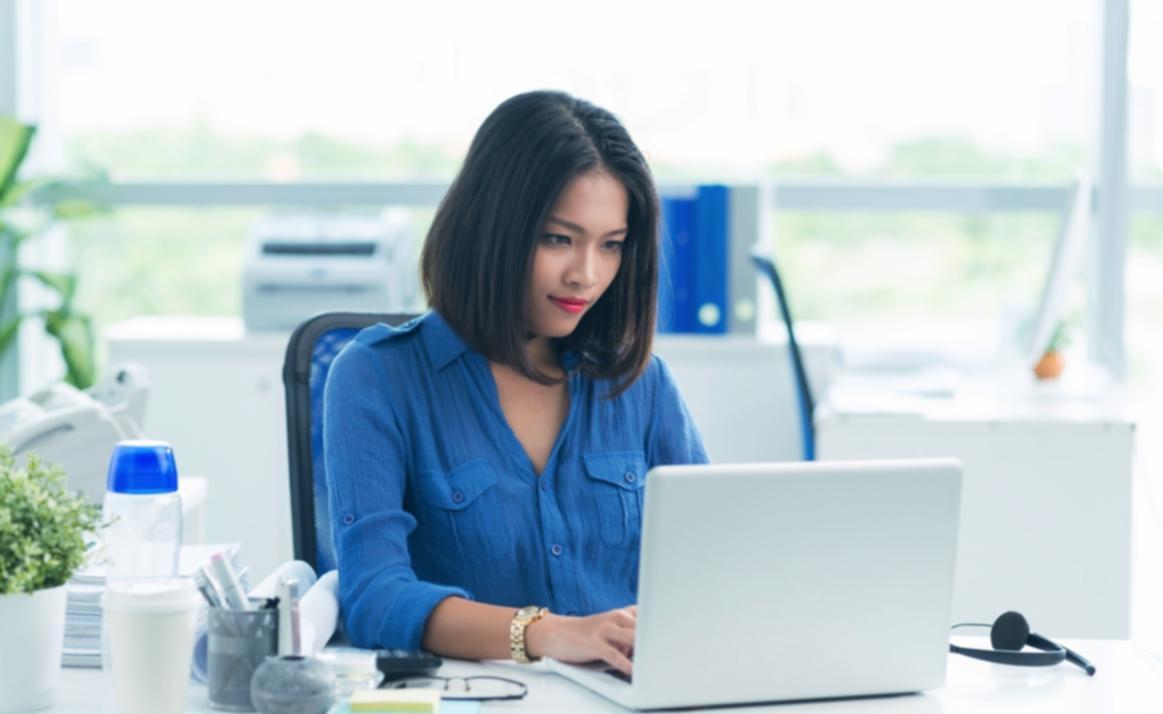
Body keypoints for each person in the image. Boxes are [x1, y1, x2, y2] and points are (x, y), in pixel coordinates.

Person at [323, 90, 708, 676]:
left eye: (611, 245)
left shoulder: (640, 383)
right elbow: (373, 597)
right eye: (559, 239)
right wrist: (548, 635)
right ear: (490, 229)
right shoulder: (377, 377)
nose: (586, 275)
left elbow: (713, 560)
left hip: (631, 693)